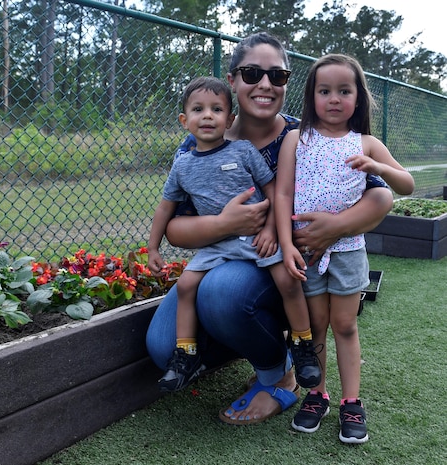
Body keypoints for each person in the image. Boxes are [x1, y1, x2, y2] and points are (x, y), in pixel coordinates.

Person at [145, 32, 394, 426]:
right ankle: (249, 333)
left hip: (289, 265)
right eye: (251, 73)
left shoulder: (308, 136)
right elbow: (176, 229)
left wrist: (335, 228)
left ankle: (281, 375)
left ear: (287, 83)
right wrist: (224, 223)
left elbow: (381, 198)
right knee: (162, 346)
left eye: (276, 76)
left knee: (222, 292)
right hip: (225, 253)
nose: (264, 84)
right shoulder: (199, 143)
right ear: (232, 79)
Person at [148, 76, 321, 393]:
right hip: (218, 246)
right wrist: (152, 248)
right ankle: (185, 354)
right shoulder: (182, 164)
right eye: (198, 109)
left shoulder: (243, 151)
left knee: (287, 281)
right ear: (184, 120)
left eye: (217, 109)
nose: (208, 116)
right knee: (186, 285)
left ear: (230, 120)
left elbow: (273, 192)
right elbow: (165, 209)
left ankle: (302, 344)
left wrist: (270, 228)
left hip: (257, 239)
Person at [275, 53, 414, 443]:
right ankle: (317, 395)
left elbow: (406, 185)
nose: (334, 98)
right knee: (316, 325)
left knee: (346, 325)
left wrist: (380, 168)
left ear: (358, 97)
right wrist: (286, 244)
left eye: (344, 90)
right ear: (311, 96)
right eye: (325, 91)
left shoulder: (367, 143)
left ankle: (352, 401)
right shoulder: (296, 138)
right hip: (306, 251)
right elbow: (284, 192)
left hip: (350, 249)